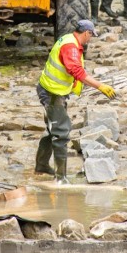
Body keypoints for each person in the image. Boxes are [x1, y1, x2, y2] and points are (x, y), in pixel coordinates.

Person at [36, 19, 117, 184]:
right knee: (61, 132)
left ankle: (42, 165)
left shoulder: (68, 40)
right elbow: (75, 70)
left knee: (53, 129)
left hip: (52, 90)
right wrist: (100, 86)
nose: (90, 39)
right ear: (86, 33)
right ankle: (61, 178)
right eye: (91, 36)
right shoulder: (71, 46)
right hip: (52, 93)